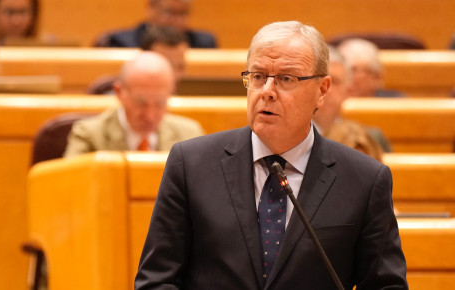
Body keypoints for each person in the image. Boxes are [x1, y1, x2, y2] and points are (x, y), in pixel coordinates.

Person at [135, 21, 407, 289]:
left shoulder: (364, 180)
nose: (266, 92)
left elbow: (386, 285)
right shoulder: (191, 164)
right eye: (258, 76)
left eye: (286, 79)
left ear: (322, 90)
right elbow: (156, 281)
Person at [64, 51, 204, 157]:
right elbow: (72, 188)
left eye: (160, 103)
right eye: (140, 103)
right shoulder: (89, 135)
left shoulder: (189, 136)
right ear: (119, 93)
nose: (150, 115)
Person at [313, 45, 393, 152]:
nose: (325, 90)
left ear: (349, 91)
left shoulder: (370, 139)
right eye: (320, 81)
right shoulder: (288, 138)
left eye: (335, 82)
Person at [94, 0, 217, 48]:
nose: (176, 20)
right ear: (151, 8)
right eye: (169, 12)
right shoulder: (119, 42)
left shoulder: (203, 44)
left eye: (182, 14)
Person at [336, 38, 404, 97]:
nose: (345, 78)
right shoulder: (327, 104)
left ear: (376, 78)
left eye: (353, 70)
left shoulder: (395, 105)